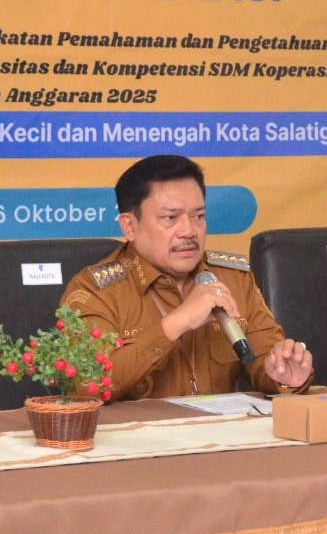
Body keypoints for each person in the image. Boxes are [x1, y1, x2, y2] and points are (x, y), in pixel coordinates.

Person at [60, 155, 312, 399]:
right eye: (170, 218)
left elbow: (263, 358)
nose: (189, 231)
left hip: (222, 428)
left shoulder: (233, 278)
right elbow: (87, 384)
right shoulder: (95, 290)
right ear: (129, 226)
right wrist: (176, 322)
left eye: (198, 216)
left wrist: (283, 376)